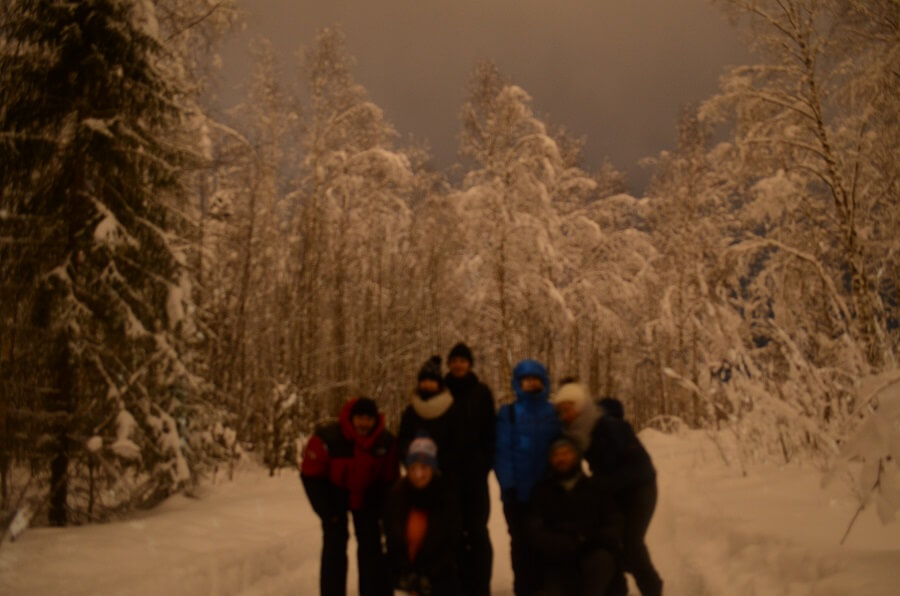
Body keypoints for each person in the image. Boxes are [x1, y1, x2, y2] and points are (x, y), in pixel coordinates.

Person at [554, 387, 661, 596]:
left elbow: (639, 467)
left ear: (581, 407)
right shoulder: (577, 430)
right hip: (615, 490)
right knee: (613, 542)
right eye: (561, 411)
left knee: (631, 543)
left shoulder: (608, 426)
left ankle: (653, 589)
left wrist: (600, 483)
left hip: (641, 488)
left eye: (569, 409)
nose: (565, 415)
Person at [300, 396, 398, 596]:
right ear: (352, 418)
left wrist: (384, 512)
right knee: (334, 543)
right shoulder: (328, 438)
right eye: (360, 418)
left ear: (375, 420)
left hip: (369, 494)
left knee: (371, 546)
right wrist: (327, 511)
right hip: (334, 493)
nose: (364, 423)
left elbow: (390, 480)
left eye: (369, 419)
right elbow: (311, 476)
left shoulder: (385, 441)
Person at [528, 436, 626, 596]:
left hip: (593, 557)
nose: (561, 459)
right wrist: (565, 542)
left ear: (576, 456)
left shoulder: (596, 488)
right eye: (556, 455)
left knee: (601, 561)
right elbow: (535, 530)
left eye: (566, 453)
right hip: (558, 562)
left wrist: (587, 538)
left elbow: (614, 523)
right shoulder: (542, 492)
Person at [495, 359, 561, 596]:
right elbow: (502, 452)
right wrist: (509, 487)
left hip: (547, 494)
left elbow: (562, 447)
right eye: (526, 379)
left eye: (536, 379)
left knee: (545, 544)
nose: (531, 383)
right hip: (517, 496)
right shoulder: (509, 413)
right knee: (521, 545)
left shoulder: (553, 413)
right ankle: (523, 590)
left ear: (543, 382)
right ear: (518, 382)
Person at [444, 342, 496, 596]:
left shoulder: (482, 392)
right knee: (452, 531)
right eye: (454, 360)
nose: (458, 364)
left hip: (475, 475)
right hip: (448, 476)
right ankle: (457, 586)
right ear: (449, 363)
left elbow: (490, 431)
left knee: (477, 531)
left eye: (463, 360)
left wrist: (484, 462)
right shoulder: (440, 392)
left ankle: (480, 586)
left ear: (470, 363)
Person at [385, 434, 462, 596]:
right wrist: (404, 573)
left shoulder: (445, 496)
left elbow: (450, 544)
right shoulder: (398, 495)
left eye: (424, 467)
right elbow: (391, 540)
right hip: (406, 578)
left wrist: (426, 575)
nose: (418, 474)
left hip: (438, 578)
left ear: (433, 468)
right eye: (413, 468)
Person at [397, 356, 458, 482]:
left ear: (439, 384)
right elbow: (403, 439)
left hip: (445, 476)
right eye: (423, 380)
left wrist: (438, 463)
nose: (427, 384)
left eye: (431, 380)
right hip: (416, 475)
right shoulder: (411, 410)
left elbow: (457, 443)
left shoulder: (451, 409)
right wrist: (412, 459)